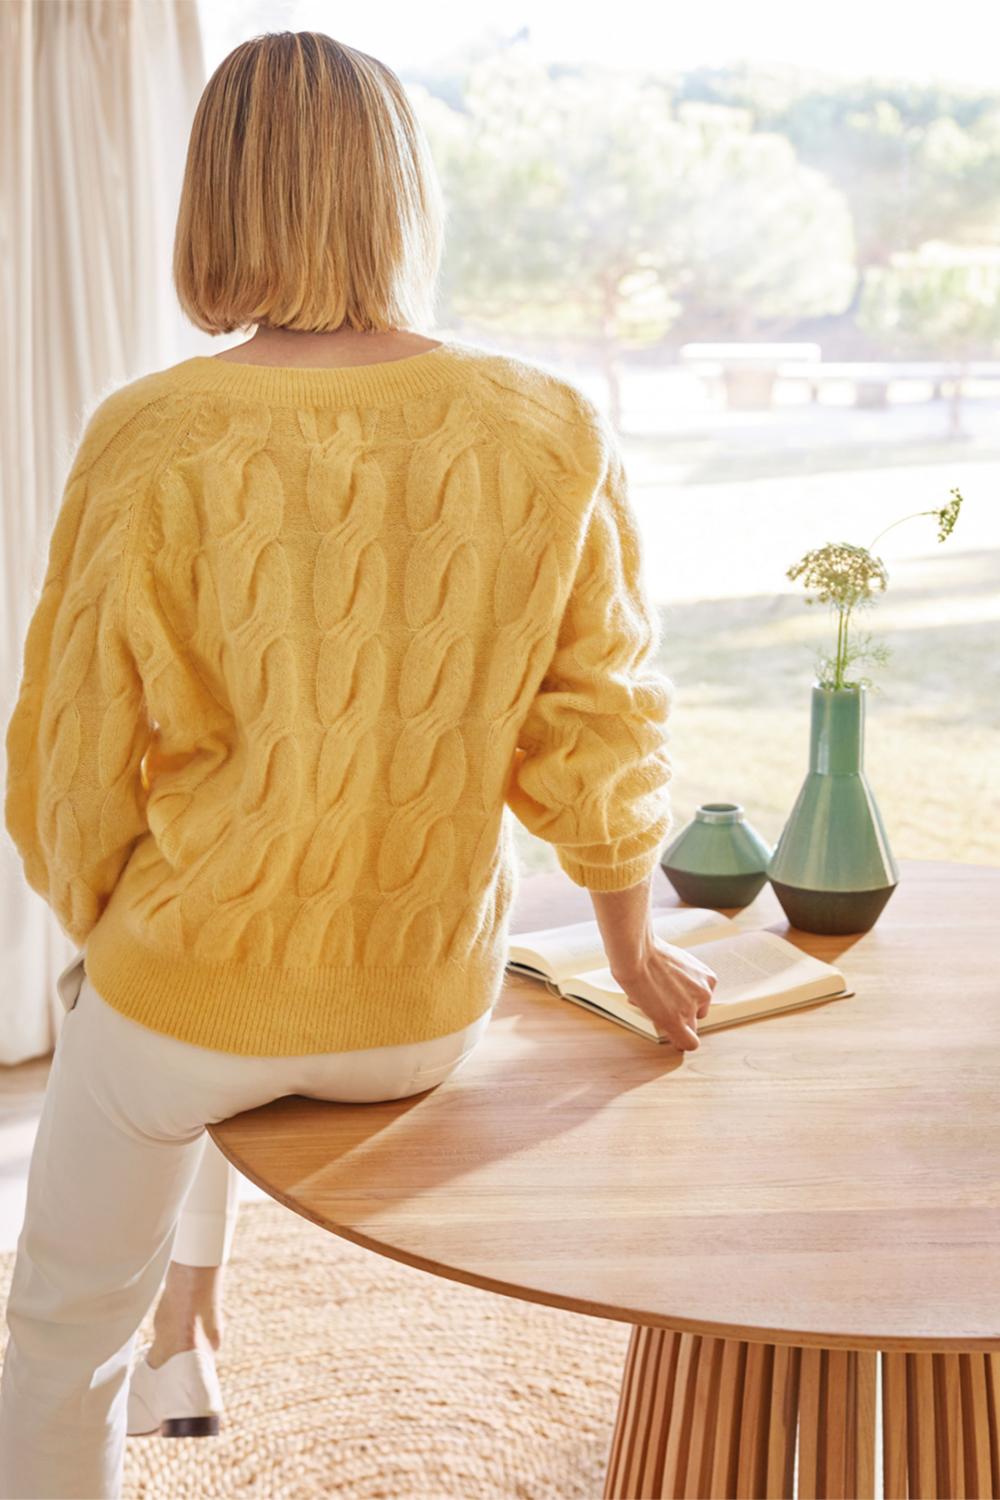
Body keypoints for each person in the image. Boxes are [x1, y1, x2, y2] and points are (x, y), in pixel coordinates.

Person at [0, 30, 716, 1500]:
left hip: (198, 996)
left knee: (55, 1325)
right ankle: (192, 1334)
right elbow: (601, 724)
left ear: (219, 201)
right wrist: (634, 953)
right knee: (176, 1014)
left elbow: (66, 765)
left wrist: (114, 938)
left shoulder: (147, 436)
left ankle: (151, 1344)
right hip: (423, 1000)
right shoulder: (546, 423)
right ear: (400, 196)